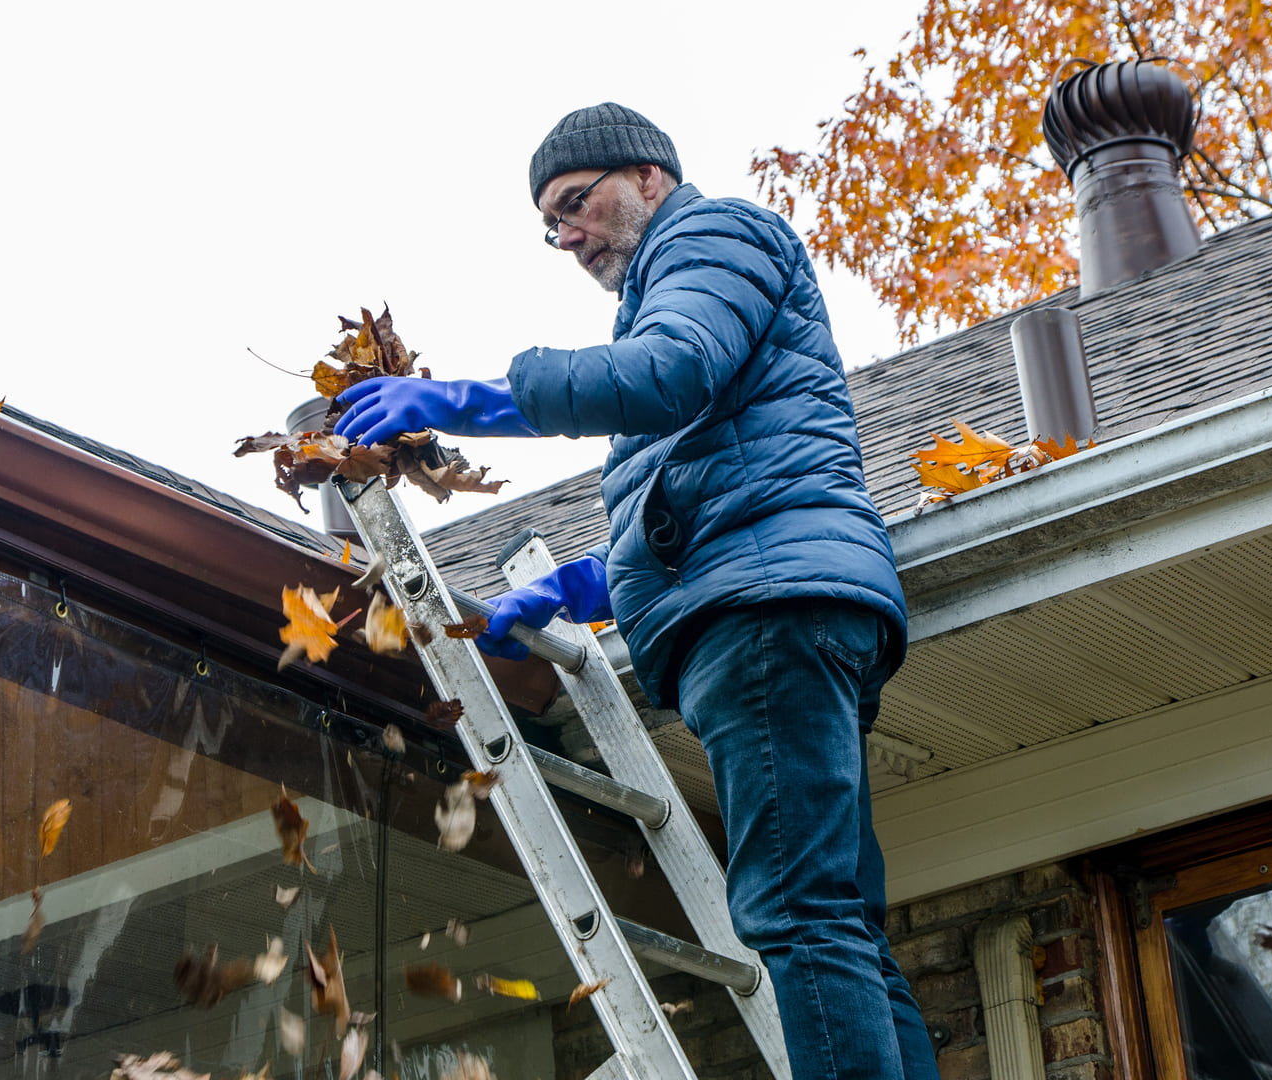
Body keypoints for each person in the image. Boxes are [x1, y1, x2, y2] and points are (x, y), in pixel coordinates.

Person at [334, 102, 937, 1080]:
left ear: (649, 177)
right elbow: (694, 497)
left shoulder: (709, 235)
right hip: (777, 605)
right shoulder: (671, 294)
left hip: (763, 614)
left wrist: (466, 402)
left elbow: (671, 373)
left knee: (797, 913)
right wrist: (575, 587)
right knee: (837, 922)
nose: (568, 237)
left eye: (579, 204)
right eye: (551, 225)